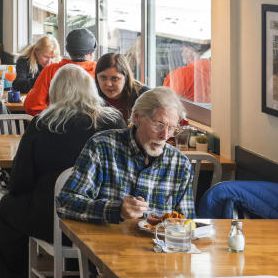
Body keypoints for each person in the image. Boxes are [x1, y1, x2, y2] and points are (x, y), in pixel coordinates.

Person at [0, 65, 124, 278]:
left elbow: (21, 179)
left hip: (53, 218)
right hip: (104, 215)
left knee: (9, 207)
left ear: (56, 90)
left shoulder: (44, 122)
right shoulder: (113, 121)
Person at [56, 86, 195, 223]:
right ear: (137, 117)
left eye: (171, 128)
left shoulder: (180, 164)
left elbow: (187, 223)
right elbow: (66, 203)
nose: (165, 136)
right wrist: (116, 210)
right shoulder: (102, 146)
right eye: (159, 124)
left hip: (156, 245)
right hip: (105, 244)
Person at [22, 28, 97, 116]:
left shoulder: (50, 70)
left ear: (68, 50)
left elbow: (33, 106)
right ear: (92, 53)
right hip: (94, 127)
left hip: (55, 126)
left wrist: (49, 124)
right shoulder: (100, 71)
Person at [94, 52, 147, 122]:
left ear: (126, 78)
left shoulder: (144, 96)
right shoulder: (91, 96)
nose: (108, 84)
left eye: (114, 78)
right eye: (103, 78)